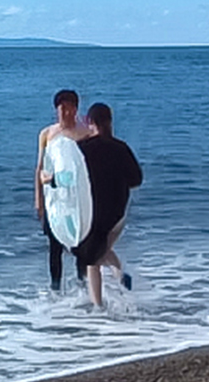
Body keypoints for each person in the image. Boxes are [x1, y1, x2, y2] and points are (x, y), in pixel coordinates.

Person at [73, 102, 143, 307]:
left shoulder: (82, 149)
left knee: (91, 259)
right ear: (110, 122)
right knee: (101, 249)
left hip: (91, 213)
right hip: (117, 214)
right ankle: (120, 274)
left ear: (89, 122)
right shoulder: (121, 148)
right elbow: (136, 180)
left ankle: (98, 307)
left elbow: (71, 181)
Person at [34, 89, 97, 290]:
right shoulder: (47, 134)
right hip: (55, 199)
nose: (66, 113)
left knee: (80, 245)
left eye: (70, 108)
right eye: (62, 109)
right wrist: (38, 201)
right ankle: (55, 290)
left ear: (76, 109)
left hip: (77, 197)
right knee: (54, 249)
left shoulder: (85, 133)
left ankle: (82, 287)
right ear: (56, 110)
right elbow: (40, 168)